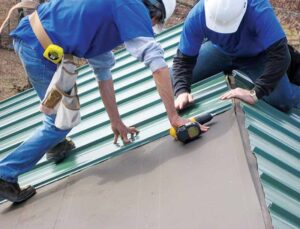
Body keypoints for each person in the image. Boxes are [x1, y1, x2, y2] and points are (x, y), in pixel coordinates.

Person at [0, 0, 209, 204]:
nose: (150, 26)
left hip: (33, 37)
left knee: (58, 116)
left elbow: (103, 73)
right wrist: (173, 116)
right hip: (37, 47)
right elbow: (158, 66)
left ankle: (55, 146)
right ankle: (5, 174)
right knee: (60, 123)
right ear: (154, 14)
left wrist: (116, 121)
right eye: (153, 23)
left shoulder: (105, 18)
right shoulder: (131, 6)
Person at [172, 0, 300, 112]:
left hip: (257, 57)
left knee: (282, 101)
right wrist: (182, 91)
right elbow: (183, 60)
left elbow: (281, 55)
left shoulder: (259, 8)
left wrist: (255, 93)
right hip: (221, 51)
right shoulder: (198, 14)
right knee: (173, 79)